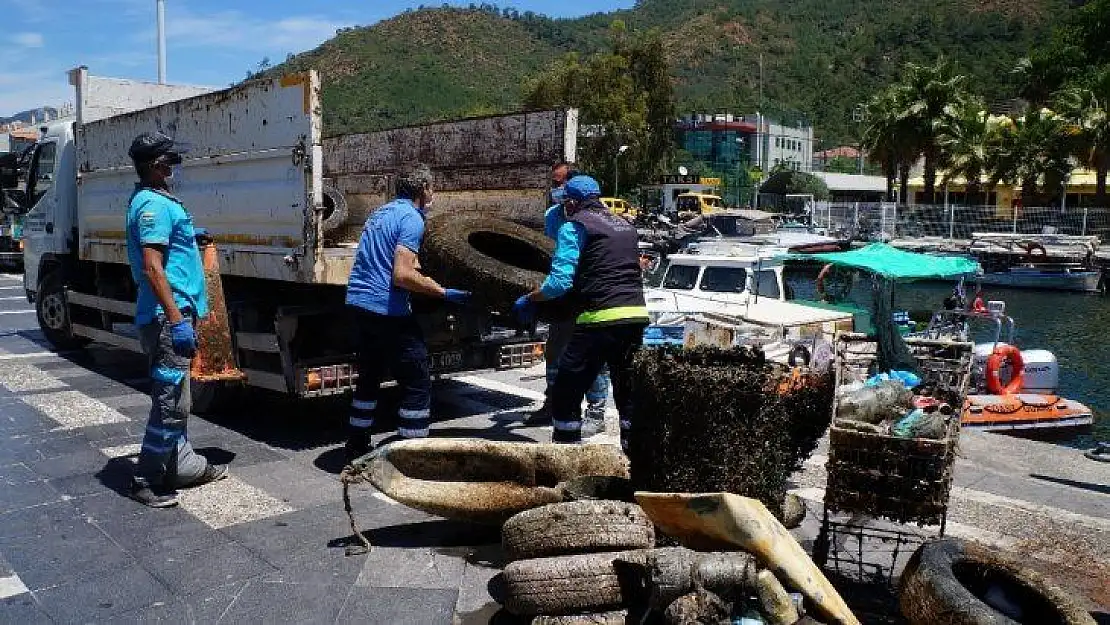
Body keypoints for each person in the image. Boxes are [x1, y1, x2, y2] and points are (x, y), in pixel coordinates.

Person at [125, 132, 228, 508]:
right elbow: (153, 268)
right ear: (156, 165)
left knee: (176, 400)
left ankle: (179, 467)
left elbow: (162, 254)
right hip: (169, 318)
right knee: (170, 403)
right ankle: (146, 479)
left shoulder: (153, 200)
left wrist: (188, 237)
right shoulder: (153, 205)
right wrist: (177, 320)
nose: (174, 166)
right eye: (169, 160)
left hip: (173, 315)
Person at [344, 164, 471, 461]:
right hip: (387, 309)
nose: (433, 193)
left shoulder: (380, 213)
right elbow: (401, 275)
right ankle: (410, 456)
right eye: (432, 187)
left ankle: (356, 445)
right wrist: (442, 291)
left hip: (359, 303)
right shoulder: (412, 219)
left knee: (369, 378)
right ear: (423, 189)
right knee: (417, 382)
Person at [512, 175, 648, 450]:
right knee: (627, 391)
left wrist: (531, 298)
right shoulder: (625, 226)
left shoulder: (574, 227)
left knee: (566, 390)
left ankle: (566, 452)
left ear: (573, 203)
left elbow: (560, 283)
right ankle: (636, 458)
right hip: (635, 317)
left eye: (566, 202)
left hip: (599, 318)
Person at [525, 163, 611, 431]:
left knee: (592, 354)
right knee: (555, 351)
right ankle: (554, 401)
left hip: (588, 294)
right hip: (562, 296)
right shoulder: (553, 216)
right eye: (554, 183)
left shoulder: (597, 217)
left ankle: (596, 411)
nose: (555, 189)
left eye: (560, 184)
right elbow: (548, 253)